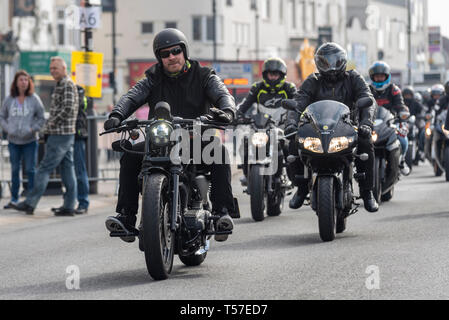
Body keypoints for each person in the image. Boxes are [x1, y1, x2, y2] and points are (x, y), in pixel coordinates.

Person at [103, 28, 236, 242]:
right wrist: (117, 115)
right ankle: (126, 217)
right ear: (160, 58)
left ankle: (222, 213)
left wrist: (227, 111)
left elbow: (222, 94)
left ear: (184, 51)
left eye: (175, 51)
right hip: (162, 141)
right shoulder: (152, 78)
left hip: (196, 140)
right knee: (129, 155)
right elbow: (132, 96)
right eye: (165, 54)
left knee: (219, 153)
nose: (171, 57)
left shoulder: (203, 75)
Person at [285, 42, 379, 212]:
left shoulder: (354, 78)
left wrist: (366, 123)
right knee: (293, 140)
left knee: (366, 142)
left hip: (347, 126)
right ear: (319, 63)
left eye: (335, 60)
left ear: (342, 60)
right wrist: (291, 123)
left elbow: (367, 99)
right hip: (317, 127)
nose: (331, 66)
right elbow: (299, 101)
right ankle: (301, 187)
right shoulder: (312, 81)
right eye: (325, 62)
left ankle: (367, 192)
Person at [11, 57, 79, 216]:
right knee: (68, 169)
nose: (52, 70)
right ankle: (69, 206)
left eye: (55, 68)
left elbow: (67, 108)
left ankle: (30, 203)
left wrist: (50, 126)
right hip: (65, 134)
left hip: (60, 134)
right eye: (51, 68)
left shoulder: (67, 84)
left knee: (44, 169)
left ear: (64, 68)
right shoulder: (62, 84)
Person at [236, 57, 296, 185]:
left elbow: (298, 105)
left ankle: (292, 178)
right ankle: (248, 175)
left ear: (281, 75)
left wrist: (297, 118)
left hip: (282, 128)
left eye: (276, 74)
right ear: (265, 75)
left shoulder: (289, 88)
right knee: (245, 142)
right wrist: (236, 115)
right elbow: (244, 105)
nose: (273, 77)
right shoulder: (257, 88)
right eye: (271, 74)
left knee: (290, 147)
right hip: (260, 128)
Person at [0, 70, 45, 209]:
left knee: (31, 170)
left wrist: (32, 129)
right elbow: (2, 116)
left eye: (26, 80)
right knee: (14, 170)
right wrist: (8, 129)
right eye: (21, 80)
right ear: (16, 82)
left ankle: (30, 200)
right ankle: (14, 199)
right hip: (13, 141)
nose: (24, 82)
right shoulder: (9, 99)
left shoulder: (34, 98)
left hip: (30, 141)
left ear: (29, 82)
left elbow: (41, 117)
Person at [368, 61, 410, 175]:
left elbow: (400, 105)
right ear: (373, 77)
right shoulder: (368, 90)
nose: (379, 78)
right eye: (377, 76)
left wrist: (403, 113)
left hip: (391, 122)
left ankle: (401, 161)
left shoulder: (393, 89)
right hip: (371, 123)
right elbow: (360, 105)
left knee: (402, 138)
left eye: (382, 76)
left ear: (386, 76)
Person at [73, 85, 90, 214]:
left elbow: (76, 107)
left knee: (80, 170)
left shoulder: (78, 92)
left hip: (77, 135)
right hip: (69, 135)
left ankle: (83, 202)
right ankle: (70, 201)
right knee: (70, 171)